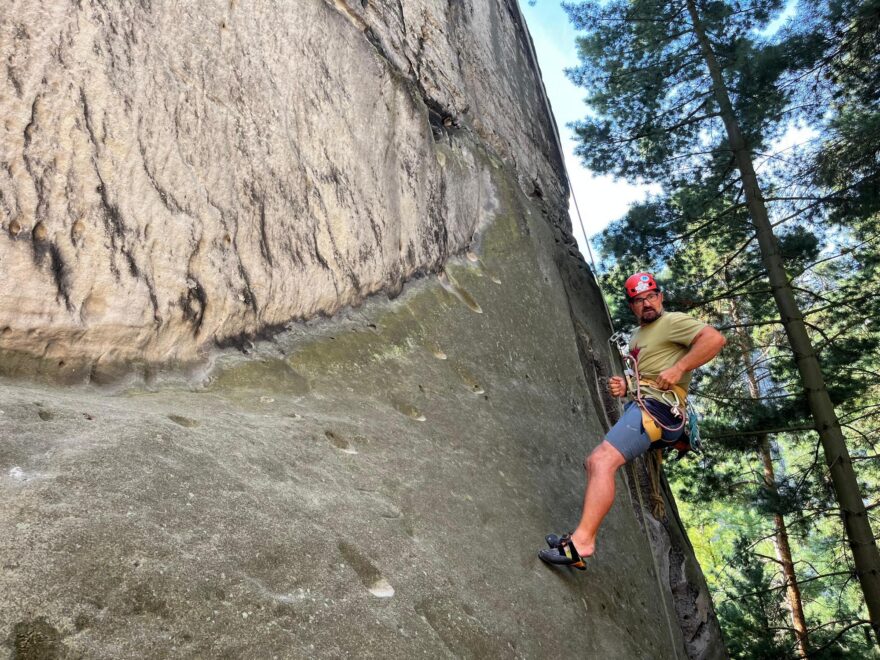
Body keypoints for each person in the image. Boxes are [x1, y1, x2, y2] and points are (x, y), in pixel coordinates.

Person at [539, 272, 726, 570]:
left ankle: (582, 543)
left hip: (659, 409)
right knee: (594, 463)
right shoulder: (639, 336)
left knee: (602, 462)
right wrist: (627, 387)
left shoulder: (672, 321)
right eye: (639, 300)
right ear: (632, 306)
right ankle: (579, 540)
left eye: (651, 296)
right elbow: (650, 375)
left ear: (660, 297)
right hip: (645, 404)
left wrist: (679, 369)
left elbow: (715, 339)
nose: (647, 304)